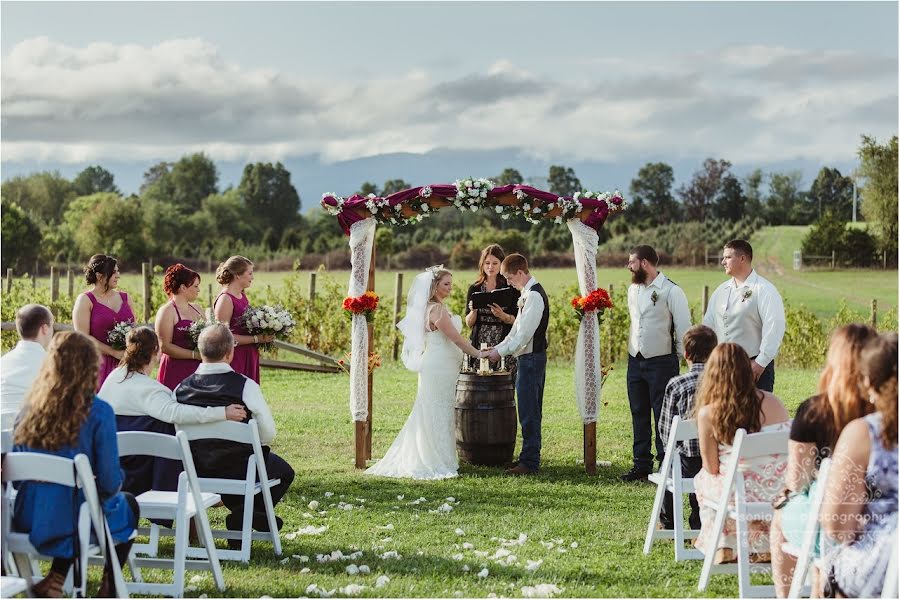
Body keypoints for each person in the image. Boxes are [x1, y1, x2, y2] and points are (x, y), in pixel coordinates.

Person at [12, 331, 138, 598]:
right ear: (90, 367)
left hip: (28, 515)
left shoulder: (28, 410)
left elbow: (15, 475)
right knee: (126, 503)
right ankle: (109, 586)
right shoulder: (98, 411)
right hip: (74, 517)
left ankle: (56, 580)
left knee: (77, 503)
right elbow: (109, 483)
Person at [769, 324, 878, 597]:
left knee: (780, 516)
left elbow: (797, 480)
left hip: (832, 518)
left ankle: (784, 594)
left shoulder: (813, 411)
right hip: (879, 515)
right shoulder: (885, 411)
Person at [99, 326, 247, 495]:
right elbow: (177, 413)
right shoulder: (151, 390)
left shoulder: (114, 377)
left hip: (108, 459)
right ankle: (192, 493)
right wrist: (222, 412)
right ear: (157, 351)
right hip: (136, 468)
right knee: (171, 429)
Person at [366, 267, 483, 479]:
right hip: (438, 367)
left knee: (439, 410)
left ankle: (442, 456)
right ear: (434, 286)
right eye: (446, 284)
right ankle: (433, 458)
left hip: (443, 367)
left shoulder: (433, 307)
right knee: (435, 410)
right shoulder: (436, 311)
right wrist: (479, 354)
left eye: (451, 283)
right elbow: (455, 338)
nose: (450, 288)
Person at [175, 324, 293, 533]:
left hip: (196, 469)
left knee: (253, 466)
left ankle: (243, 517)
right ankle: (243, 518)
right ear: (230, 353)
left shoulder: (180, 389)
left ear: (200, 351)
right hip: (240, 469)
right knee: (284, 472)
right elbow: (268, 434)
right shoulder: (246, 386)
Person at [692, 342, 791, 564]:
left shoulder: (709, 414)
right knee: (739, 481)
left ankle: (723, 544)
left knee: (704, 479)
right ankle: (764, 544)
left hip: (739, 495)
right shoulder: (776, 403)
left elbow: (711, 467)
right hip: (778, 492)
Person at [820, 332, 897, 599]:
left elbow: (837, 526)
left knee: (827, 569)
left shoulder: (865, 433)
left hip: (883, 565)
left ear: (868, 382)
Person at [623, 245, 692, 482]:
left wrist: (688, 360)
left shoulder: (672, 291)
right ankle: (641, 465)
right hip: (635, 360)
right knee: (638, 412)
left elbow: (684, 329)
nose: (628, 266)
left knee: (663, 414)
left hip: (662, 362)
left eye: (631, 262)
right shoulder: (633, 289)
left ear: (644, 263)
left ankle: (666, 465)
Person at [486, 254, 549, 476]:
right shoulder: (527, 295)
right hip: (527, 358)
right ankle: (527, 457)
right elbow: (514, 332)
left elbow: (523, 336)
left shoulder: (534, 297)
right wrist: (496, 348)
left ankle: (530, 462)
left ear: (521, 273)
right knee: (527, 409)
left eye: (511, 278)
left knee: (529, 411)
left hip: (532, 358)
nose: (510, 283)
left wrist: (499, 353)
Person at [656, 324, 718, 531]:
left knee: (668, 464)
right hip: (716, 459)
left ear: (686, 354)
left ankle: (668, 522)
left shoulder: (676, 384)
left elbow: (665, 430)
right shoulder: (723, 384)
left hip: (685, 460)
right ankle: (700, 524)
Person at [703, 239, 785, 393]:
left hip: (753, 367)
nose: (722, 262)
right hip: (723, 367)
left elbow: (774, 327)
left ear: (742, 258)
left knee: (755, 416)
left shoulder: (764, 290)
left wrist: (760, 362)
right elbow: (708, 325)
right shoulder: (720, 291)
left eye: (727, 257)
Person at [73, 254, 135, 390]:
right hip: (98, 364)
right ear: (100, 276)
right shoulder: (85, 300)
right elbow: (83, 338)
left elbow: (134, 330)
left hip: (127, 363)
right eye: (113, 272)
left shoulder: (126, 298)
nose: (118, 276)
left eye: (118, 271)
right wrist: (113, 352)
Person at [213, 256, 273, 384]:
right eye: (250, 273)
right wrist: (256, 339)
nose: (252, 277)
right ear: (237, 276)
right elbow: (223, 337)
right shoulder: (225, 299)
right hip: (234, 357)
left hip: (249, 354)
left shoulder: (242, 296)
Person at [464, 244, 517, 373]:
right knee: (480, 381)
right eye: (487, 263)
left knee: (503, 382)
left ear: (501, 264)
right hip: (480, 341)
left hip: (503, 340)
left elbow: (518, 320)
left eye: (495, 263)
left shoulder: (510, 287)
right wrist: (473, 311)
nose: (490, 267)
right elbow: (468, 323)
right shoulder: (475, 288)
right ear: (482, 264)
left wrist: (503, 316)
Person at [155, 263, 205, 390]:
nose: (198, 290)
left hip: (198, 369)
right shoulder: (167, 311)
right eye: (196, 286)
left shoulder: (198, 309)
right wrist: (194, 355)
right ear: (183, 287)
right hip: (175, 370)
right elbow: (164, 346)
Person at [0, 304, 53, 416]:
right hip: (34, 428)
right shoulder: (52, 365)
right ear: (44, 328)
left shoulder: (3, 362)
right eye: (51, 326)